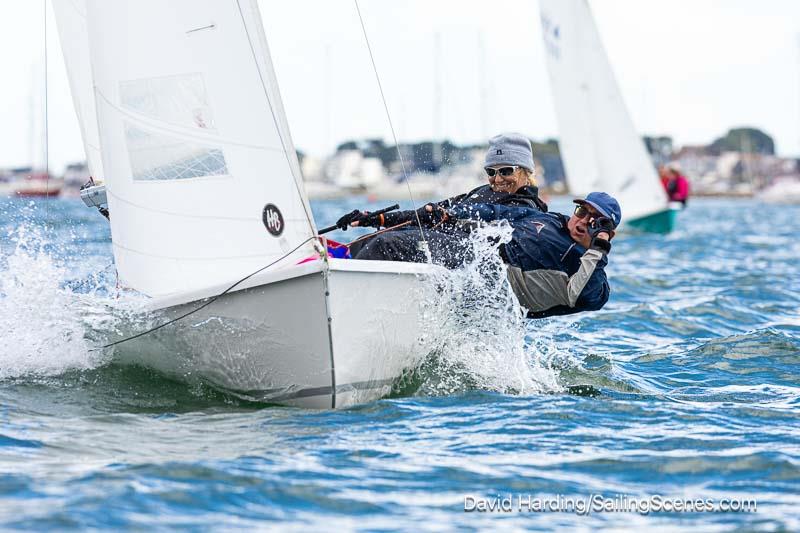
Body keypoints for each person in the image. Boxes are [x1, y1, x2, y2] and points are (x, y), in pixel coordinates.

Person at [336, 133, 548, 268]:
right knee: (369, 239)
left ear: (525, 171)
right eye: (491, 171)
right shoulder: (482, 191)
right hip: (443, 242)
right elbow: (426, 214)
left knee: (385, 244)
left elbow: (488, 219)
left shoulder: (528, 206)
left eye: (506, 171)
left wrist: (452, 216)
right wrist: (374, 218)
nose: (498, 179)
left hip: (470, 257)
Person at [444, 192, 621, 318]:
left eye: (594, 221)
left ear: (607, 234)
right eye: (582, 211)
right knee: (435, 224)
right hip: (473, 249)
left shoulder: (597, 287)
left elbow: (581, 294)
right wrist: (450, 213)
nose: (582, 222)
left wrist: (599, 246)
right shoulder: (551, 219)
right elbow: (498, 212)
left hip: (490, 282)